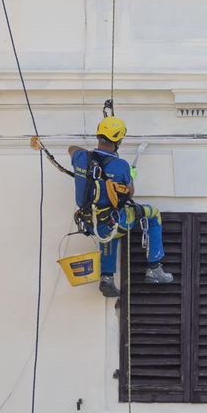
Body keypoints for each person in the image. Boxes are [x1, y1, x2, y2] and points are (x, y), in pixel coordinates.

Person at [68, 116, 172, 298]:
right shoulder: (121, 166)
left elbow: (71, 149)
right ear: (119, 141)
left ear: (98, 135)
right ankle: (154, 267)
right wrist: (130, 177)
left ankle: (107, 278)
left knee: (109, 232)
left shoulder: (80, 157)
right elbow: (129, 192)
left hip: (90, 223)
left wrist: (92, 160)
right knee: (153, 213)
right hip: (111, 221)